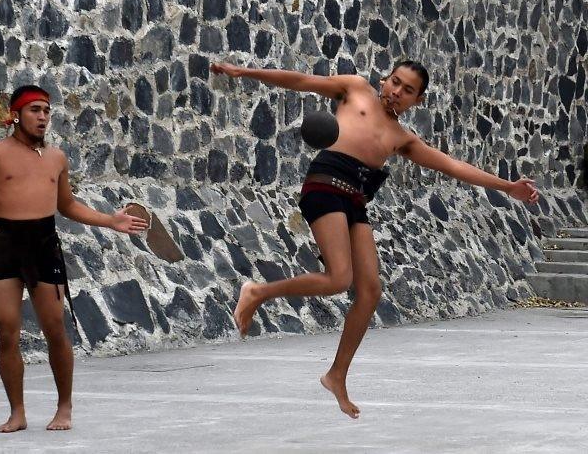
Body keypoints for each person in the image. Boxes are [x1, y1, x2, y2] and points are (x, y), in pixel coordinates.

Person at [210, 60, 540, 419]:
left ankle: (337, 375)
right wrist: (245, 73)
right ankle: (257, 292)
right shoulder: (354, 89)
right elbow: (301, 80)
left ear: (418, 100)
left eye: (407, 90)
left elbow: (453, 165)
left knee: (370, 291)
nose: (396, 92)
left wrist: (508, 187)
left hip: (355, 197)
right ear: (384, 79)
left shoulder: (402, 139)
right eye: (395, 82)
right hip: (326, 179)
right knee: (339, 279)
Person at [0, 85, 149, 432]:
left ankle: (64, 407)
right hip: (3, 243)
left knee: (54, 329)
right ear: (16, 115)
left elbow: (67, 205)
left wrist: (110, 220)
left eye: (46, 111)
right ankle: (17, 413)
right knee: (7, 331)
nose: (42, 117)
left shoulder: (56, 158)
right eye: (35, 110)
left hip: (43, 243)